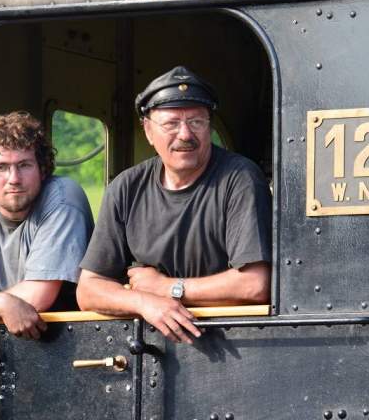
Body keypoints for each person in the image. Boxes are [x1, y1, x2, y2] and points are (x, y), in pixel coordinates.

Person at [77, 66, 272, 344]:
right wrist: (144, 303)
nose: (185, 134)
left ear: (209, 126)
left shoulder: (240, 179)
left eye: (196, 122)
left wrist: (168, 288)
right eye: (171, 124)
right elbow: (88, 290)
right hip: (150, 348)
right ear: (148, 130)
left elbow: (255, 284)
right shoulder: (126, 188)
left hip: (228, 343)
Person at [0, 111, 93, 339]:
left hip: (64, 342)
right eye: (1, 167)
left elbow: (37, 297)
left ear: (42, 169)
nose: (14, 178)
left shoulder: (63, 198)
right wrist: (2, 304)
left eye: (24, 165)